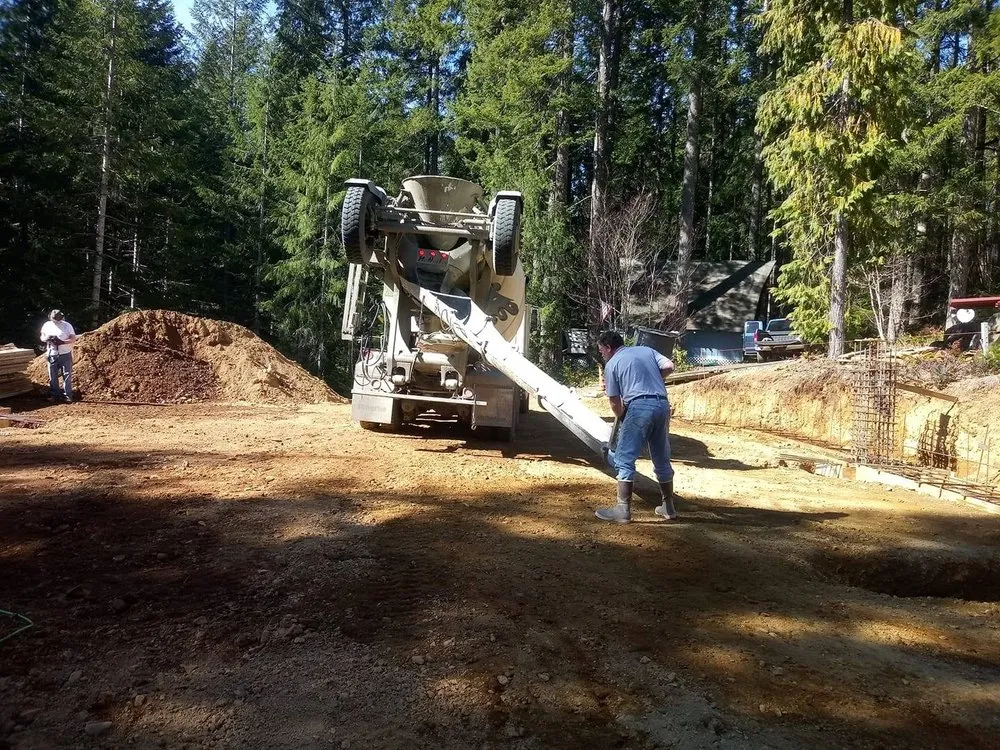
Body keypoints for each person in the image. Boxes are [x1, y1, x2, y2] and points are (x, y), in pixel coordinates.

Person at [595, 330, 677, 523]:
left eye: (601, 351)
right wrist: (653, 381)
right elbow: (669, 366)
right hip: (662, 405)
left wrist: (624, 416)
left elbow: (615, 403)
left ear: (608, 347)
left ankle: (622, 510)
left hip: (639, 407)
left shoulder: (612, 364)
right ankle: (669, 507)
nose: (602, 355)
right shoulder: (646, 350)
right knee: (661, 456)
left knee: (624, 457)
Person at [40, 309, 77, 403]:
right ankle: (54, 395)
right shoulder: (47, 325)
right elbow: (42, 337)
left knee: (67, 375)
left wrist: (62, 342)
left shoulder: (67, 325)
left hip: (65, 353)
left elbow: (73, 339)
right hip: (52, 354)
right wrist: (47, 339)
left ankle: (67, 395)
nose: (57, 321)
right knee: (52, 376)